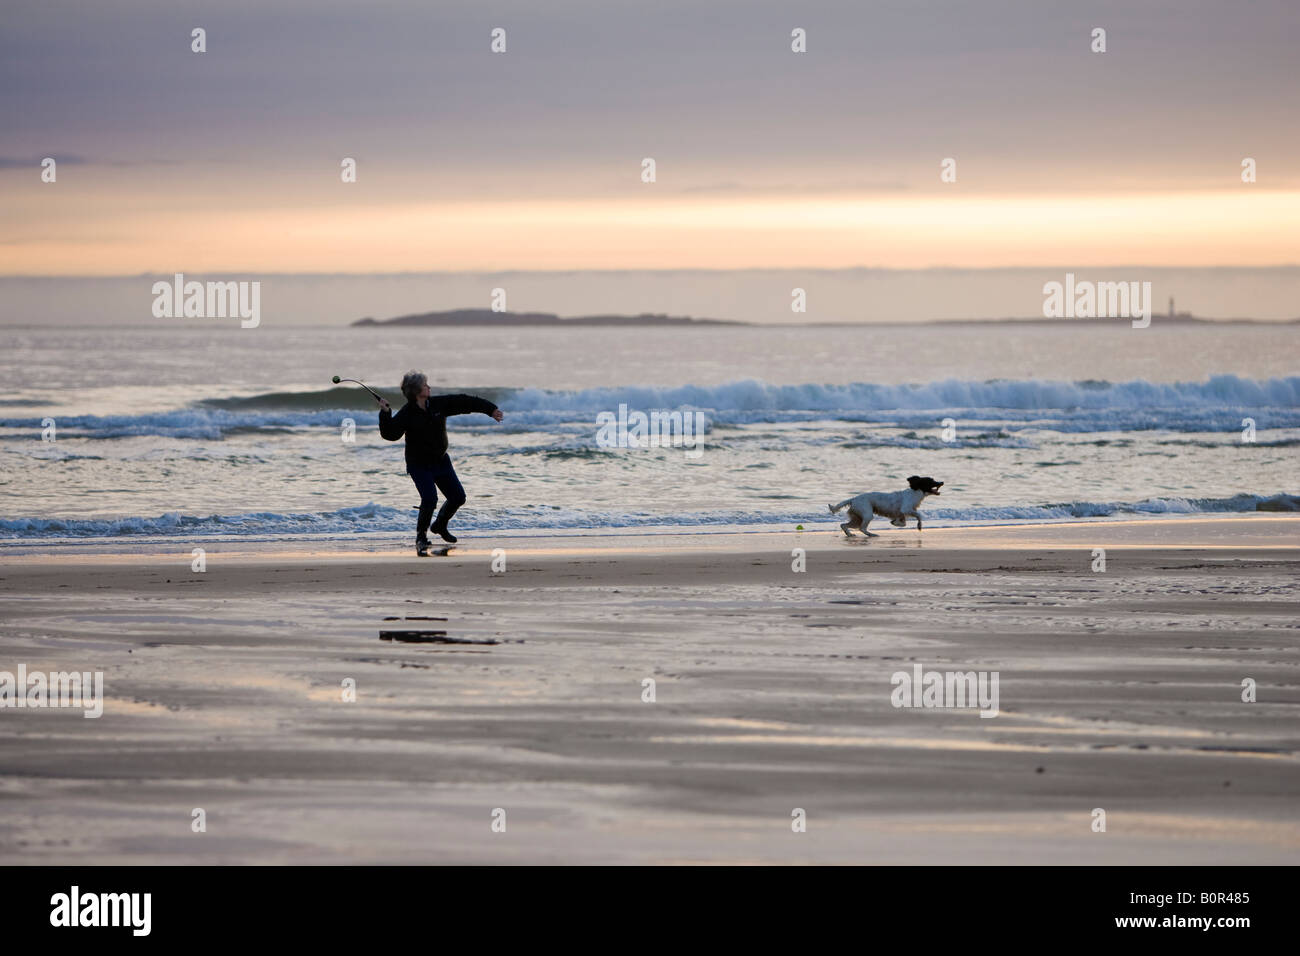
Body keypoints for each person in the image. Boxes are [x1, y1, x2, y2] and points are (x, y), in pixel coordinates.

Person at [376, 371, 503, 554]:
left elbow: (464, 401)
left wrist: (490, 410)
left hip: (441, 461)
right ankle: (421, 537)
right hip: (418, 464)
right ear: (417, 390)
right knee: (429, 498)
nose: (429, 387)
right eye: (426, 385)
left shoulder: (438, 404)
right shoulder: (407, 413)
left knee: (458, 497)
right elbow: (390, 434)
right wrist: (385, 413)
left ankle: (440, 525)